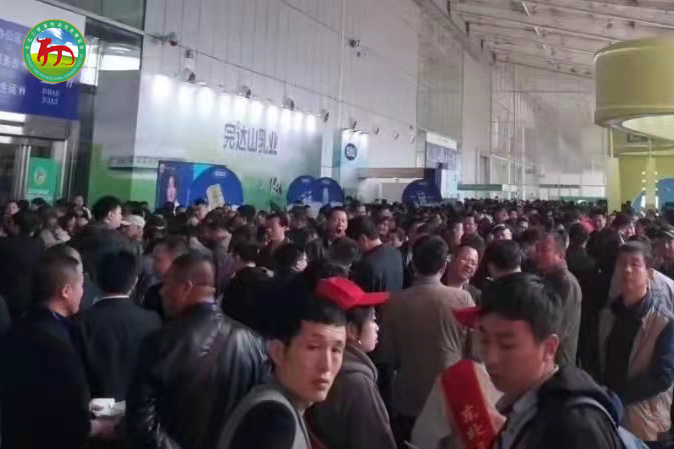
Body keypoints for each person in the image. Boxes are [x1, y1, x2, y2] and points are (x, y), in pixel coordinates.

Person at [127, 253, 268, 449]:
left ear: (186, 287)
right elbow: (258, 416)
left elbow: (142, 422)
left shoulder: (160, 342)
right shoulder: (254, 343)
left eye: (167, 284)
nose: (162, 292)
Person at [479, 272, 623, 449]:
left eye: (506, 344)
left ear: (549, 347)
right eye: (485, 340)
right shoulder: (524, 404)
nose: (491, 358)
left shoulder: (574, 427)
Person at [1, 249, 115, 449]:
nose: (83, 292)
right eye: (80, 285)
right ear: (66, 291)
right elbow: (58, 412)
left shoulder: (20, 327)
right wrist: (95, 427)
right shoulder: (53, 343)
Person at [217, 288, 347, 449]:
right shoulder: (274, 421)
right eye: (313, 347)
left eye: (336, 350)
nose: (326, 365)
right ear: (278, 352)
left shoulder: (278, 407)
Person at [382, 235, 474, 447]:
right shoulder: (462, 299)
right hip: (451, 398)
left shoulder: (394, 302)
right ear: (444, 266)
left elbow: (388, 355)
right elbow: (474, 354)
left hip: (408, 398)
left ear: (413, 264)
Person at [599, 242, 674, 445]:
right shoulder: (608, 315)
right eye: (622, 264)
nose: (627, 270)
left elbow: (663, 376)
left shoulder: (664, 322)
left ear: (649, 273)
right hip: (610, 417)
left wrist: (619, 397)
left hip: (645, 423)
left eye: (635, 264)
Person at [307, 277, 395, 449]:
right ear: (352, 330)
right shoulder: (357, 384)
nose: (377, 327)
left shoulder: (315, 364)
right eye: (372, 320)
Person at [76, 250, 161, 401]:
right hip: (138, 406)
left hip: (94, 406)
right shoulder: (152, 320)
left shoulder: (81, 321)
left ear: (97, 280)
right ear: (134, 282)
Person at [534, 232, 582, 367]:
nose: (538, 254)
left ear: (560, 254)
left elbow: (560, 327)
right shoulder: (545, 277)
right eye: (537, 249)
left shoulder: (566, 282)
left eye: (545, 250)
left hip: (558, 359)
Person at [566, 223, 602, 372]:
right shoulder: (594, 264)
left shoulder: (565, 262)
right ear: (587, 240)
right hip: (589, 311)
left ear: (570, 239)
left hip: (570, 311)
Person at [70, 195, 129, 283]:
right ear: (110, 215)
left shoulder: (82, 232)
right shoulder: (114, 240)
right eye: (120, 213)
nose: (121, 217)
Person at [0, 209, 43, 318]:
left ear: (16, 225)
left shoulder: (4, 244)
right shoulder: (38, 245)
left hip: (4, 298)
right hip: (29, 299)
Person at [349, 216, 403, 293]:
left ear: (363, 239)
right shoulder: (396, 254)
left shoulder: (367, 264)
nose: (355, 248)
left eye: (355, 244)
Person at [141, 235, 190, 318]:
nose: (153, 264)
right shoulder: (153, 292)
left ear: (176, 261)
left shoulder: (193, 296)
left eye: (158, 260)